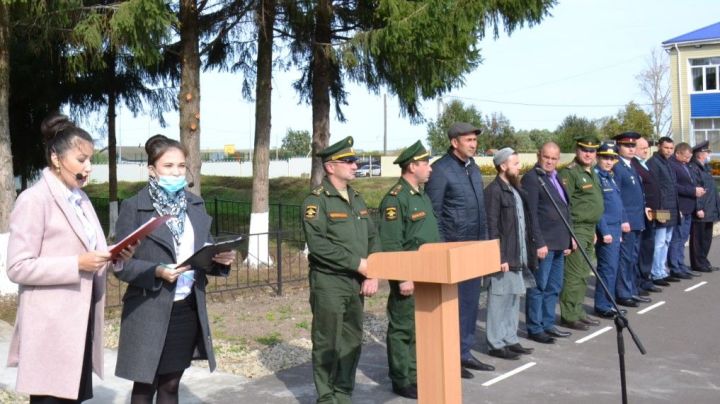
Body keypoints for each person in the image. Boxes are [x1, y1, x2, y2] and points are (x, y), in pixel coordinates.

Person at [6, 113, 135, 403]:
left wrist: (115, 256)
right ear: (56, 157)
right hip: (50, 327)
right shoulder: (33, 199)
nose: (88, 168)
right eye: (81, 159)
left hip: (79, 322)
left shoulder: (81, 199)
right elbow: (17, 267)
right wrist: (77, 265)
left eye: (90, 160)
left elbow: (90, 250)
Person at [113, 134, 236, 404]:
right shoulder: (134, 207)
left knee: (171, 384)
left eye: (181, 166)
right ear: (152, 170)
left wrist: (219, 260)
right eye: (168, 166)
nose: (176, 172)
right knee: (145, 387)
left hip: (186, 308)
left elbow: (202, 253)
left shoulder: (194, 204)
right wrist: (156, 271)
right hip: (148, 309)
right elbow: (120, 264)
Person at [301, 136, 380, 403]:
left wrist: (373, 272)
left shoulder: (357, 198)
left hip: (356, 282)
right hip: (329, 282)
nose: (355, 165)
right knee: (328, 341)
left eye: (355, 160)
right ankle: (326, 396)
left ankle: (343, 392)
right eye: (348, 161)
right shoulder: (317, 201)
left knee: (352, 339)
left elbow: (372, 238)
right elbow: (318, 245)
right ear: (330, 167)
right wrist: (359, 264)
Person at [425, 122, 495, 379]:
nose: (474, 144)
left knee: (469, 305)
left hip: (474, 249)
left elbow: (481, 212)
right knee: (453, 308)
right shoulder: (441, 170)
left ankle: (464, 353)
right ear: (455, 142)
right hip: (454, 250)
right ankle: (450, 357)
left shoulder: (473, 169)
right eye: (468, 140)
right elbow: (434, 214)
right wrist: (443, 250)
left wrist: (486, 246)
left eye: (475, 140)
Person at [378, 141, 438, 400]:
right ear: (412, 166)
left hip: (427, 273)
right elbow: (392, 243)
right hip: (409, 275)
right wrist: (402, 277)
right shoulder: (396, 199)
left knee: (418, 327)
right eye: (426, 164)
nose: (430, 169)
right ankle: (402, 379)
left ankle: (416, 375)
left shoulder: (420, 195)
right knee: (403, 328)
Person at [484, 148, 537, 360]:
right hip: (504, 257)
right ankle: (495, 343)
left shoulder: (515, 189)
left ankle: (510, 338)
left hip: (518, 255)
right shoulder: (493, 191)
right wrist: (499, 257)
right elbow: (492, 227)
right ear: (503, 166)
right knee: (499, 300)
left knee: (513, 298)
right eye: (515, 163)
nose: (519, 167)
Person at [521, 142, 573, 344]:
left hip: (560, 241)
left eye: (554, 158)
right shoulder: (532, 179)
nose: (550, 161)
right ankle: (535, 328)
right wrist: (538, 242)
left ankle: (548, 324)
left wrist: (570, 239)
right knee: (538, 287)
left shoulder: (555, 177)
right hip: (545, 244)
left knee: (553, 287)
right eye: (546, 157)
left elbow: (565, 209)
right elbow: (531, 214)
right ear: (538, 155)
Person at [558, 136, 604, 331]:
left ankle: (578, 311)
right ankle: (569, 315)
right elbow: (564, 205)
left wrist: (593, 230)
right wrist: (570, 235)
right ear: (577, 150)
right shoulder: (570, 173)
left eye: (592, 151)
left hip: (588, 229)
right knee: (574, 274)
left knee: (584, 274)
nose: (588, 154)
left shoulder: (591, 172)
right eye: (585, 150)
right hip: (576, 228)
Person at [611, 132, 651, 306]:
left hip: (637, 220)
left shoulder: (630, 165)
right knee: (626, 259)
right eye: (627, 146)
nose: (630, 148)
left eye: (633, 146)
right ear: (618, 146)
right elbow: (617, 197)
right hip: (627, 222)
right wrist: (624, 219)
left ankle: (631, 289)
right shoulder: (617, 166)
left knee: (633, 258)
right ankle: (623, 293)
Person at [593, 143, 628, 317]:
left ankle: (610, 302)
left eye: (612, 158)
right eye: (605, 158)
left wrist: (619, 230)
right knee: (607, 268)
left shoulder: (609, 176)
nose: (608, 161)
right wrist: (605, 231)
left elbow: (618, 204)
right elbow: (598, 208)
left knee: (613, 268)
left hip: (615, 229)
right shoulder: (596, 176)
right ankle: (602, 305)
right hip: (606, 229)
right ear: (598, 157)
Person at [666, 142, 705, 280]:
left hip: (689, 207)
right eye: (686, 157)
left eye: (690, 157)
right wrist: (693, 191)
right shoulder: (672, 165)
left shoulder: (684, 165)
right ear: (678, 154)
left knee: (683, 239)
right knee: (676, 239)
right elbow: (674, 186)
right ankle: (675, 267)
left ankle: (681, 264)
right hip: (680, 207)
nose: (689, 159)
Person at [630, 137, 663, 293]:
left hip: (653, 213)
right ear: (634, 148)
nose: (646, 150)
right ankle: (640, 280)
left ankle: (646, 278)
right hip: (643, 213)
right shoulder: (634, 165)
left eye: (647, 147)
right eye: (642, 147)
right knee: (642, 248)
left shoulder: (645, 164)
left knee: (649, 246)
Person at [647, 137, 681, 286]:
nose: (668, 150)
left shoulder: (669, 163)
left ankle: (662, 270)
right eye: (666, 147)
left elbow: (672, 188)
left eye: (671, 148)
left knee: (666, 241)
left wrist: (678, 209)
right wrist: (658, 212)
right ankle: (655, 273)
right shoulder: (653, 163)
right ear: (659, 147)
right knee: (659, 242)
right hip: (661, 209)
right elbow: (655, 190)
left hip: (672, 208)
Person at [688, 141, 720, 273]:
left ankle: (704, 261)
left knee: (706, 239)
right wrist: (698, 208)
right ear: (700, 154)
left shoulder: (705, 167)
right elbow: (697, 190)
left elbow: (712, 190)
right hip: (701, 210)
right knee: (698, 239)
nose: (708, 155)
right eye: (707, 152)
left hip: (709, 209)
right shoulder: (694, 168)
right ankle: (697, 263)